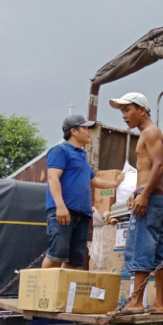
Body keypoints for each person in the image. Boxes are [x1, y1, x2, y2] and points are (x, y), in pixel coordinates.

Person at [109, 92, 163, 314]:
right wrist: (138, 192)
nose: (124, 116)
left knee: (140, 249)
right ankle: (159, 303)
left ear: (142, 110)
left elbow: (159, 166)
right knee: (159, 253)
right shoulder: (151, 133)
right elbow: (153, 169)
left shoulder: (150, 132)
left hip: (152, 198)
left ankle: (136, 303)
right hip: (158, 198)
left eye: (127, 110)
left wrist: (144, 195)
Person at [43, 115, 124, 270]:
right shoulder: (60, 151)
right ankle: (42, 293)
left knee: (74, 260)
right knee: (56, 255)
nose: (88, 132)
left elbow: (94, 180)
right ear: (73, 131)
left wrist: (115, 183)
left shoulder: (81, 156)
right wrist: (60, 206)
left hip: (82, 214)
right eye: (85, 128)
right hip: (64, 211)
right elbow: (53, 178)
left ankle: (62, 293)